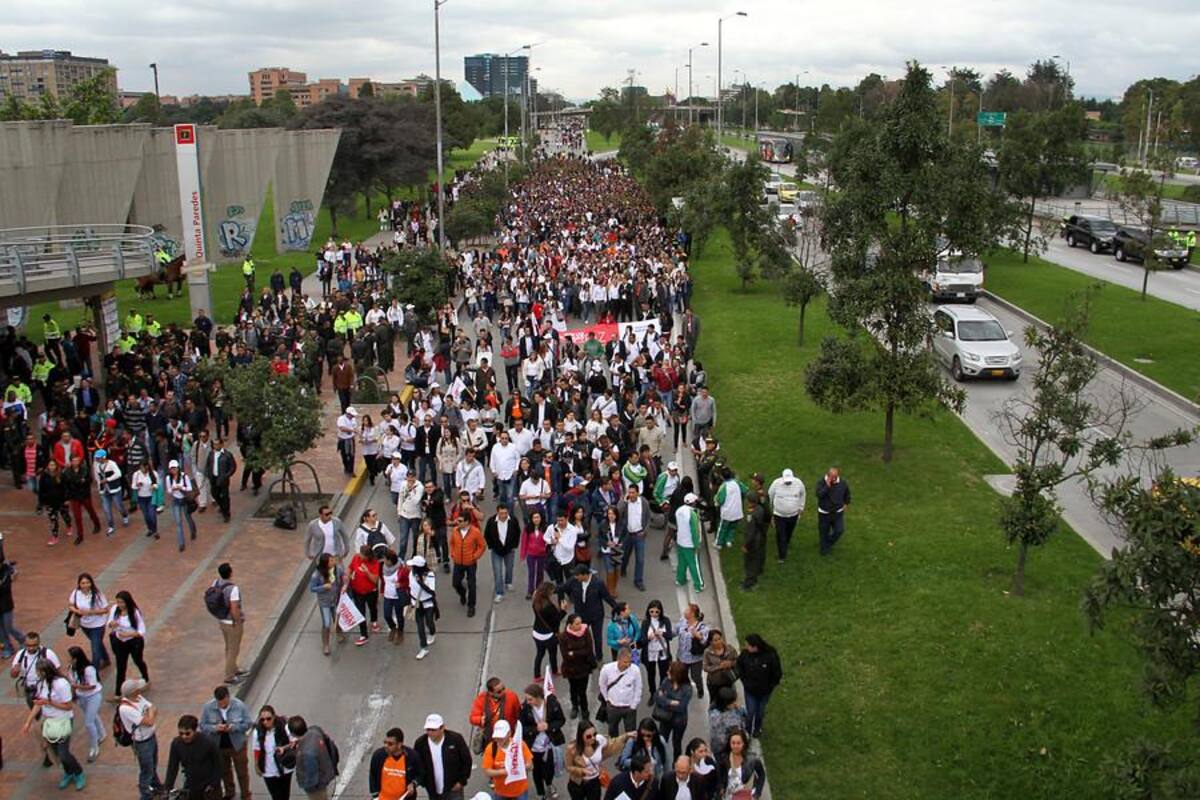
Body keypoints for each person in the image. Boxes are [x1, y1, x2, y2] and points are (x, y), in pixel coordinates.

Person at [21, 656, 86, 789]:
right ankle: (68, 773)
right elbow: (38, 704)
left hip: (63, 720)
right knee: (56, 752)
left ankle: (78, 773)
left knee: (64, 753)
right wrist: (28, 722)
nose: (38, 674)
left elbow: (68, 706)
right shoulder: (42, 683)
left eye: (39, 672)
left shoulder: (61, 684)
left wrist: (49, 702)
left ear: (45, 671)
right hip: (49, 721)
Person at [200, 684, 254, 800]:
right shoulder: (208, 707)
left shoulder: (239, 706)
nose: (222, 705)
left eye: (224, 702)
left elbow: (248, 723)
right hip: (219, 746)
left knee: (242, 772)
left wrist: (234, 727)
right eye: (219, 703)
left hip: (237, 745)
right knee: (224, 771)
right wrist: (215, 728)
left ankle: (245, 794)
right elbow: (203, 726)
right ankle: (230, 792)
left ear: (228, 697)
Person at [558, 564, 618, 662]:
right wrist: (548, 591)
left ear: (584, 575)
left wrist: (617, 609)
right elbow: (562, 587)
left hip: (596, 615)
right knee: (580, 637)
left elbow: (607, 597)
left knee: (597, 638)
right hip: (581, 615)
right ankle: (585, 656)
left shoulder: (598, 583)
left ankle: (599, 658)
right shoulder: (574, 581)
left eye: (577, 575)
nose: (576, 577)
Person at [119, 678, 165, 800]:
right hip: (142, 743)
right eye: (138, 688)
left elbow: (153, 708)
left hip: (151, 736)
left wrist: (148, 714)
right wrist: (149, 714)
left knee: (153, 764)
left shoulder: (138, 698)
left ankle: (156, 786)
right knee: (146, 770)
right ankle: (145, 795)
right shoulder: (125, 708)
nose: (140, 689)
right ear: (134, 692)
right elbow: (149, 721)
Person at [519, 682, 566, 800]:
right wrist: (535, 729)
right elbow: (521, 727)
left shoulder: (552, 704)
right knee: (537, 772)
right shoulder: (525, 709)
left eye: (530, 699)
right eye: (527, 699)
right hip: (533, 747)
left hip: (549, 745)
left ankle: (549, 784)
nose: (527, 702)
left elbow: (561, 720)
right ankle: (540, 792)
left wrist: (549, 726)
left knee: (549, 769)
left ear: (538, 697)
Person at [564, 721, 628, 800]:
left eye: (594, 734)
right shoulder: (572, 749)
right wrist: (582, 771)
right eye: (588, 736)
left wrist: (626, 736)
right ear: (581, 736)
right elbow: (568, 767)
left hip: (594, 781)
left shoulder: (599, 740)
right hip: (578, 783)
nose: (593, 738)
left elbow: (612, 743)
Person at [414, 713, 473, 800]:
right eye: (428, 729)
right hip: (433, 790)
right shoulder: (421, 743)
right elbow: (417, 764)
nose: (430, 733)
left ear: (442, 728)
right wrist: (424, 782)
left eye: (433, 730)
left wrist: (461, 781)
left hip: (453, 788)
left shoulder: (456, 739)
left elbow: (467, 761)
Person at [165, 713, 224, 799]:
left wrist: (213, 784)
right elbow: (172, 767)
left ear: (195, 730)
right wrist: (168, 787)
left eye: (187, 733)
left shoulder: (208, 742)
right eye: (181, 733)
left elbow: (218, 764)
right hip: (191, 784)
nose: (184, 736)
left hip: (209, 785)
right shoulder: (176, 744)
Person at [735, 634, 782, 738]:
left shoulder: (770, 655)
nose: (746, 647)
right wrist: (744, 681)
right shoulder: (745, 654)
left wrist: (771, 685)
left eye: (748, 645)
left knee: (760, 712)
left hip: (765, 691)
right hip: (750, 690)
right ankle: (747, 730)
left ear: (755, 647)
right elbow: (739, 666)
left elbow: (777, 672)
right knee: (751, 711)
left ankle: (757, 728)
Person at [107, 590, 149, 700]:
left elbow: (141, 630)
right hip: (120, 642)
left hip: (134, 642)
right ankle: (118, 693)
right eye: (118, 602)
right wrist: (112, 624)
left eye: (122, 602)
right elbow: (109, 623)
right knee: (121, 666)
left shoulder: (134, 612)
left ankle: (146, 678)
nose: (120, 605)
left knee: (138, 660)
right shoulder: (114, 609)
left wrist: (129, 634)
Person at [210, 562, 247, 684]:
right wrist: (238, 621)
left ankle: (234, 668)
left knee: (228, 647)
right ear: (230, 573)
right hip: (232, 622)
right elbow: (234, 608)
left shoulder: (215, 583)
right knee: (233, 649)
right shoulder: (233, 589)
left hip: (222, 620)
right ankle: (229, 675)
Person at [65, 645, 103, 762]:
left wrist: (77, 686)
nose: (68, 659)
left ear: (76, 658)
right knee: (92, 715)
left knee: (88, 722)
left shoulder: (89, 669)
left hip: (93, 696)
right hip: (81, 696)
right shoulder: (71, 668)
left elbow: (92, 686)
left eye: (70, 657)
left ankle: (94, 747)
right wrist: (74, 694)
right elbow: (72, 682)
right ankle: (102, 733)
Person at [67, 572, 111, 670]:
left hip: (98, 625)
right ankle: (106, 659)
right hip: (85, 625)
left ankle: (94, 670)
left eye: (87, 582)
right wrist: (77, 611)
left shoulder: (98, 595)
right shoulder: (76, 593)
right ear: (79, 584)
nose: (85, 585)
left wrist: (91, 612)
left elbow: (105, 609)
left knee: (95, 649)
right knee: (97, 643)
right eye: (83, 583)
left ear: (91, 583)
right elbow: (70, 605)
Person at [558, 613, 598, 721]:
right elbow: (565, 655)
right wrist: (580, 652)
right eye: (577, 624)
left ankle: (584, 710)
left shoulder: (585, 631)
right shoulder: (563, 636)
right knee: (573, 688)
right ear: (570, 624)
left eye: (580, 623)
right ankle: (575, 706)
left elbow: (589, 650)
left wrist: (574, 653)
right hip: (571, 669)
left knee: (582, 691)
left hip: (584, 667)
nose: (580, 625)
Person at [287, 716, 337, 800]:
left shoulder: (306, 753)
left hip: (317, 788)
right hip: (325, 773)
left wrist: (306, 786)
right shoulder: (315, 731)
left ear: (292, 733)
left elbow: (312, 776)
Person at [482, 719, 534, 800]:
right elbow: (487, 771)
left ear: (509, 733)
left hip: (520, 791)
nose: (499, 739)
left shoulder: (519, 745)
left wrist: (517, 767)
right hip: (501, 792)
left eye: (502, 736)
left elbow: (530, 765)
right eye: (497, 736)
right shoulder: (491, 748)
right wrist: (504, 771)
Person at [597, 647, 642, 738]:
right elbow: (602, 685)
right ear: (618, 659)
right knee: (612, 731)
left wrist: (634, 705)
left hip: (629, 707)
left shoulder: (635, 670)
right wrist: (607, 699)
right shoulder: (607, 669)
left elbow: (638, 688)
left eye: (630, 662)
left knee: (631, 733)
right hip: (613, 707)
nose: (628, 665)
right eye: (625, 662)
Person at [252, 704, 294, 800]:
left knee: (285, 795)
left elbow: (294, 743)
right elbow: (257, 749)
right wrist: (256, 765)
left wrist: (284, 748)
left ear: (274, 717)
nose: (265, 722)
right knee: (276, 796)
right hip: (268, 770)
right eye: (262, 720)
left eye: (268, 719)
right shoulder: (257, 732)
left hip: (284, 766)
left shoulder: (285, 727)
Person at [368, 726, 421, 800]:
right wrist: (375, 797)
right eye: (385, 742)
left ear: (399, 745)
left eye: (390, 744)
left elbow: (420, 774)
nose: (386, 746)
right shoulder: (378, 755)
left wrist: (413, 784)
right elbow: (373, 775)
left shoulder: (412, 756)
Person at [449, 514, 486, 618]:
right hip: (458, 562)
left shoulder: (475, 532)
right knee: (455, 583)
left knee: (471, 584)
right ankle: (462, 593)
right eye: (458, 520)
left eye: (460, 521)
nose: (458, 523)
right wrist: (453, 553)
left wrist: (475, 556)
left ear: (467, 522)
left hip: (470, 563)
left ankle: (471, 606)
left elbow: (482, 546)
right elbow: (451, 543)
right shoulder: (455, 531)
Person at [309, 553, 346, 655]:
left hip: (336, 599)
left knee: (337, 618)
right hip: (324, 602)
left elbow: (343, 575)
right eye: (331, 561)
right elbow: (312, 588)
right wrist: (323, 587)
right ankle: (326, 644)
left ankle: (339, 632)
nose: (333, 562)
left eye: (333, 560)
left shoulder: (337, 569)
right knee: (326, 623)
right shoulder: (316, 575)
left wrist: (344, 582)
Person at [637, 599, 674, 699]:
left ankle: (662, 692)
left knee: (664, 674)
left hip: (662, 652)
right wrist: (649, 638)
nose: (654, 614)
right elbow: (642, 640)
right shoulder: (646, 622)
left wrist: (662, 633)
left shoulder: (665, 621)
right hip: (650, 653)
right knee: (651, 674)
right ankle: (652, 693)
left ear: (660, 611)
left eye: (657, 612)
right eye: (651, 611)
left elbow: (670, 636)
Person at [767, 468, 805, 563]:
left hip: (793, 515)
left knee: (789, 532)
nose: (788, 483)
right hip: (779, 515)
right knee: (780, 535)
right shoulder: (776, 484)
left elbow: (803, 494)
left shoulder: (799, 483)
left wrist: (801, 507)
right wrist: (771, 511)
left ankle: (785, 544)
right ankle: (782, 556)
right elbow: (770, 496)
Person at [617, 484, 651, 591]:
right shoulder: (625, 503)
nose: (631, 495)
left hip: (639, 535)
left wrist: (645, 531)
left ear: (638, 493)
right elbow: (618, 513)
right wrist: (624, 502)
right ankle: (623, 568)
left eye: (633, 492)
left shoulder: (644, 503)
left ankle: (638, 581)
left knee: (640, 559)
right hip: (628, 534)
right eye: (629, 492)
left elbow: (648, 517)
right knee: (625, 555)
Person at [348, 545, 382, 645]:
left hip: (371, 591)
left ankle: (374, 621)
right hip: (357, 591)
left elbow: (375, 580)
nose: (360, 556)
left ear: (367, 556)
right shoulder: (356, 558)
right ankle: (363, 635)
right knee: (360, 612)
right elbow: (350, 568)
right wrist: (348, 576)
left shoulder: (375, 563)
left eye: (362, 555)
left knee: (372, 607)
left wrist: (367, 572)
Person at [485, 504, 519, 603]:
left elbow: (517, 533)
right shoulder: (491, 521)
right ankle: (499, 592)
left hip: (509, 549)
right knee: (498, 572)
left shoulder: (513, 521)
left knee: (509, 567)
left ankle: (508, 582)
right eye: (501, 513)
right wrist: (491, 546)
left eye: (505, 513)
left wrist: (514, 545)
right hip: (496, 550)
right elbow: (487, 534)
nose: (503, 515)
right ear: (497, 512)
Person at [717, 729, 765, 800]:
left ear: (743, 743)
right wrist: (721, 788)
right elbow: (719, 775)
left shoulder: (752, 760)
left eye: (738, 743)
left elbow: (761, 775)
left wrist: (757, 793)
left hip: (744, 796)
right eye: (733, 743)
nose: (735, 746)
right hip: (728, 795)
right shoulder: (724, 758)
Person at [530, 580, 564, 680]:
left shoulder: (536, 601)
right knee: (552, 653)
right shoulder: (549, 607)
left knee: (539, 654)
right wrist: (563, 610)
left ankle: (537, 675)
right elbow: (556, 620)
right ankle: (554, 670)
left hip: (537, 632)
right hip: (548, 635)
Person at [674, 604, 709, 701]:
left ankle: (700, 689)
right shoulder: (682, 622)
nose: (684, 611)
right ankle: (685, 690)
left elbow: (705, 642)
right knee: (682, 675)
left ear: (692, 613)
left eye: (687, 610)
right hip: (681, 657)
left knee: (696, 676)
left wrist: (698, 636)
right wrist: (664, 633)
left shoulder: (702, 627)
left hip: (695, 659)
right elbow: (674, 632)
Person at [408, 555, 439, 659]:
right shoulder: (411, 574)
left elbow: (431, 591)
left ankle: (432, 632)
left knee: (429, 622)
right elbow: (410, 588)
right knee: (420, 627)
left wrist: (420, 582)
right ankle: (424, 647)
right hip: (416, 604)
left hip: (428, 604)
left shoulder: (430, 575)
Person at [816, 467, 851, 555]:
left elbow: (847, 494)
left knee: (839, 530)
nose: (834, 479)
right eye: (832, 477)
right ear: (828, 475)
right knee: (824, 532)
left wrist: (846, 503)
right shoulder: (821, 482)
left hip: (837, 513)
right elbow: (819, 494)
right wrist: (827, 486)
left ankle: (828, 542)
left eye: (835, 477)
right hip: (824, 513)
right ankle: (824, 548)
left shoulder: (842, 483)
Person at [673, 494, 704, 591]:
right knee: (694, 564)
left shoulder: (679, 510)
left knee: (682, 562)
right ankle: (698, 585)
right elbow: (694, 531)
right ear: (693, 503)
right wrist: (697, 544)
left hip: (680, 541)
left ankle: (680, 579)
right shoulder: (692, 514)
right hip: (690, 544)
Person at [166, 459, 198, 552]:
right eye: (172, 469)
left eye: (175, 468)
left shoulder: (184, 477)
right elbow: (168, 490)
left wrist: (181, 487)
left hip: (184, 499)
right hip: (176, 500)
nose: (173, 470)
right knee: (178, 522)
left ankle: (193, 530)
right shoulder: (168, 478)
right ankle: (181, 543)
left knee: (188, 517)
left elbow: (189, 488)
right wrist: (173, 489)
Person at [740, 491, 769, 591]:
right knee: (755, 559)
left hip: (752, 542)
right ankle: (753, 578)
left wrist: (745, 544)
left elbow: (750, 532)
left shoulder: (751, 515)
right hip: (759, 538)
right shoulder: (760, 509)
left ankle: (750, 582)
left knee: (749, 562)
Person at [706, 689, 747, 756]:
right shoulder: (716, 717)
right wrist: (732, 744)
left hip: (736, 742)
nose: (735, 703)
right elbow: (718, 738)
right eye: (732, 702)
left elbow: (745, 713)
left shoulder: (733, 708)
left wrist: (740, 708)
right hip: (724, 750)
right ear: (725, 703)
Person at [205, 438, 237, 523]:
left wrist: (226, 475)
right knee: (214, 494)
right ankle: (222, 506)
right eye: (214, 444)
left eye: (217, 444)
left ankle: (226, 514)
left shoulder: (227, 455)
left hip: (223, 479)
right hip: (213, 478)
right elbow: (208, 465)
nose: (215, 446)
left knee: (225, 496)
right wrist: (208, 474)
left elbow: (233, 467)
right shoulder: (211, 454)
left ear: (221, 444)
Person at [521, 510, 550, 600]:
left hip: (542, 554)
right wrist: (523, 555)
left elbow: (549, 540)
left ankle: (539, 591)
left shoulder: (545, 528)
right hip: (531, 554)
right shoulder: (528, 529)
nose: (536, 519)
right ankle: (530, 591)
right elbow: (524, 542)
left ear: (541, 518)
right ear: (531, 519)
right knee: (531, 572)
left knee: (540, 573)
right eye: (534, 518)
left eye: (538, 517)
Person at [701, 630, 739, 700]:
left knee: (728, 700)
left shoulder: (730, 648)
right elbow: (705, 667)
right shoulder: (707, 652)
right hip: (714, 683)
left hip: (728, 680)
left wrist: (730, 663)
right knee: (715, 701)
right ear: (711, 642)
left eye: (719, 639)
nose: (719, 642)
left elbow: (738, 661)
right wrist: (719, 667)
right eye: (715, 640)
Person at [130, 460, 160, 541]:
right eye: (141, 467)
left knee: (152, 515)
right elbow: (133, 486)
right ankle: (150, 529)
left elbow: (158, 484)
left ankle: (155, 530)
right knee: (146, 515)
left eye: (143, 467)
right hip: (141, 498)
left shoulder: (154, 474)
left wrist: (154, 486)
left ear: (147, 467)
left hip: (151, 497)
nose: (142, 469)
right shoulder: (136, 474)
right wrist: (137, 485)